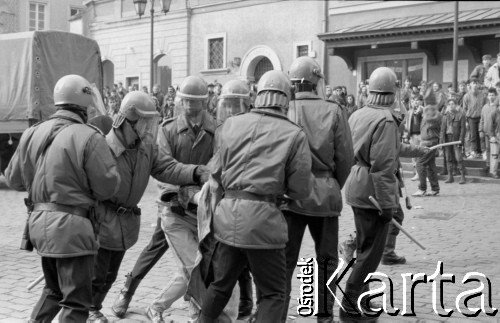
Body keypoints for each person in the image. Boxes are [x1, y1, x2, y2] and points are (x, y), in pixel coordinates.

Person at [198, 70, 313, 322]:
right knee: (273, 294)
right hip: (264, 222)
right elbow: (302, 189)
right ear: (286, 99)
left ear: (258, 95)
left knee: (220, 285)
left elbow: (214, 171)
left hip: (227, 218)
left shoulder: (230, 124)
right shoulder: (294, 133)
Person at [5, 75, 121, 321]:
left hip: (38, 225)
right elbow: (107, 188)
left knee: (54, 290)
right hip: (73, 231)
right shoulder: (90, 135)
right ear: (83, 106)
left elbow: (13, 180)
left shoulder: (32, 132)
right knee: (76, 302)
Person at [87, 91, 192, 322]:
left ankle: (93, 306)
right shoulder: (102, 147)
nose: (147, 129)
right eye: (143, 123)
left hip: (125, 222)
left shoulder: (146, 148)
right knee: (97, 273)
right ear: (127, 122)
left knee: (111, 273)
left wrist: (194, 172)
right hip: (103, 219)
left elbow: (168, 168)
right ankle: (89, 309)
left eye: (149, 123)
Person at [341, 67, 428, 320]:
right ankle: (350, 304)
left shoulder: (359, 114)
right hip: (372, 191)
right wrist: (387, 203)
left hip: (357, 185)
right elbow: (382, 167)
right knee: (369, 254)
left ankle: (362, 300)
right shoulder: (386, 119)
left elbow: (389, 148)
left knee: (365, 247)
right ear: (392, 91)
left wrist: (419, 151)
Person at [281, 56, 353, 323]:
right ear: (315, 82)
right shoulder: (333, 110)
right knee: (327, 261)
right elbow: (346, 158)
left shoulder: (285, 108)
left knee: (285, 260)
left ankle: (277, 312)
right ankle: (325, 316)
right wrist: (333, 184)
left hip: (290, 194)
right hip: (325, 193)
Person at [146, 75, 215, 322]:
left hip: (204, 214)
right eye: (185, 101)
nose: (189, 107)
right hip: (174, 212)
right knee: (193, 269)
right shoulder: (167, 130)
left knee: (200, 268)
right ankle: (197, 316)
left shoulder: (216, 131)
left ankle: (157, 306)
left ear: (205, 103)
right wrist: (194, 185)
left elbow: (216, 171)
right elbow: (163, 170)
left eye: (194, 103)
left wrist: (202, 191)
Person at [412, 88, 442, 197]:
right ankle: (434, 188)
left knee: (420, 163)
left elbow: (430, 120)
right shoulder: (428, 113)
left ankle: (422, 188)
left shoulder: (436, 114)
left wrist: (424, 109)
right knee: (430, 166)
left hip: (430, 142)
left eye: (428, 103)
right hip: (425, 142)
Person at [440, 98, 467, 184]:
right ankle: (450, 176)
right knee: (448, 158)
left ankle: (462, 177)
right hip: (447, 139)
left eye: (453, 104)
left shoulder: (461, 115)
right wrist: (441, 142)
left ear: (456, 105)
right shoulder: (444, 116)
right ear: (447, 106)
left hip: (456, 139)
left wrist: (461, 140)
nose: (451, 106)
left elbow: (463, 129)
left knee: (458, 158)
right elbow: (442, 130)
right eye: (449, 104)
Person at [463, 78, 487, 159]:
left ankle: (482, 151)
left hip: (481, 118)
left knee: (481, 135)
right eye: (473, 83)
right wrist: (466, 121)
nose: (475, 85)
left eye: (476, 83)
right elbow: (464, 109)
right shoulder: (466, 96)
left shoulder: (483, 95)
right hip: (471, 118)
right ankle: (474, 151)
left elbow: (485, 107)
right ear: (470, 85)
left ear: (479, 85)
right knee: (473, 135)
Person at [405, 94, 424, 181]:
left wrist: (422, 111)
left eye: (417, 100)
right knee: (414, 155)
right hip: (412, 135)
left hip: (422, 135)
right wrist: (406, 135)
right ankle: (417, 173)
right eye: (413, 101)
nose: (415, 102)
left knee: (423, 154)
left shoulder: (424, 111)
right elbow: (407, 124)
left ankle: (424, 174)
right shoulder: (409, 112)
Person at [479, 89, 499, 168]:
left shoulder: (497, 107)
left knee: (495, 150)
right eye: (490, 95)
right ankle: (488, 164)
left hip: (495, 133)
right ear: (487, 96)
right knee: (487, 148)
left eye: (493, 95)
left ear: (496, 96)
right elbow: (482, 119)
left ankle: (494, 166)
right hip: (486, 132)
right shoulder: (485, 107)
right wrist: (480, 130)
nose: (491, 97)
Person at [487, 99, 500, 178]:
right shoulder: (494, 113)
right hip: (496, 136)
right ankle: (493, 172)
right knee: (495, 155)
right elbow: (490, 126)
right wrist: (492, 136)